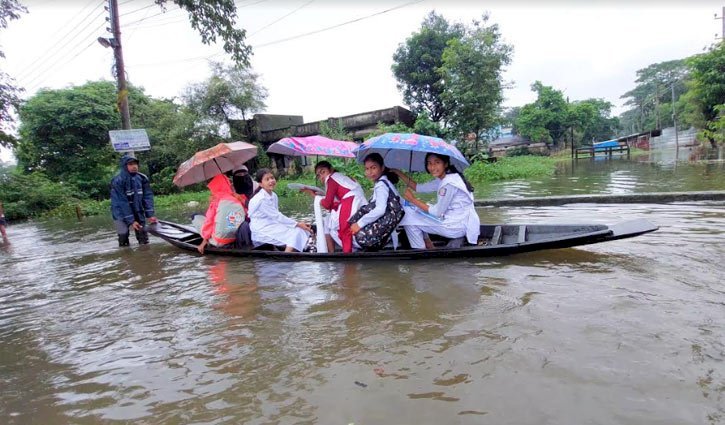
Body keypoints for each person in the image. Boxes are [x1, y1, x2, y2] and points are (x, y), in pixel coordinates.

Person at [394, 152, 480, 249]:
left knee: (408, 218)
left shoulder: (448, 183)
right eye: (429, 163)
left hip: (456, 226)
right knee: (414, 211)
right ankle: (429, 246)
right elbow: (418, 187)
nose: (432, 167)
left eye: (437, 162)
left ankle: (420, 250)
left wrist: (413, 200)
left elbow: (437, 212)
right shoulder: (448, 178)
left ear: (445, 164)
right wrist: (398, 172)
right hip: (460, 220)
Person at [301, 161, 366, 253]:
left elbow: (327, 204)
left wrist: (313, 195)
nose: (321, 176)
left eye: (323, 172)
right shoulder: (340, 176)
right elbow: (335, 198)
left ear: (330, 169)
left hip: (351, 202)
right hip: (359, 202)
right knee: (334, 225)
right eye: (318, 175)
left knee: (343, 230)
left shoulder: (331, 179)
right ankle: (348, 250)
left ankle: (349, 252)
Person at [248, 168, 311, 252]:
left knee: (300, 230)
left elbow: (277, 215)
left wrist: (297, 225)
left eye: (272, 178)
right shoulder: (261, 199)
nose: (271, 181)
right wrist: (298, 224)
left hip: (272, 225)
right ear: (261, 184)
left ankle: (293, 251)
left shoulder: (273, 195)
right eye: (267, 179)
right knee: (294, 233)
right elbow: (277, 216)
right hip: (261, 230)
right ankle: (287, 256)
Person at [349, 153, 401, 243]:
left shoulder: (381, 185)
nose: (370, 172)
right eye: (367, 169)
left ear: (382, 168)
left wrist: (359, 224)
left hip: (401, 221)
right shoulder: (383, 182)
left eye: (373, 168)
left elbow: (380, 209)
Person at [110, 154, 157, 246]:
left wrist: (150, 214)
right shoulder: (118, 181)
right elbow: (122, 202)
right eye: (130, 164)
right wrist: (131, 221)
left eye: (135, 164)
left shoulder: (142, 178)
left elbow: (147, 196)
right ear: (125, 166)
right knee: (123, 235)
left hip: (137, 209)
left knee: (143, 235)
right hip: (119, 212)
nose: (134, 166)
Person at [197, 174, 248, 254]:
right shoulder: (237, 198)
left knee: (197, 218)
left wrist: (204, 241)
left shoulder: (216, 200)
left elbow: (209, 222)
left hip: (219, 241)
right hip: (234, 238)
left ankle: (205, 237)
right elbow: (244, 213)